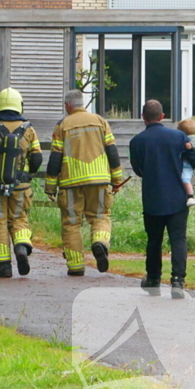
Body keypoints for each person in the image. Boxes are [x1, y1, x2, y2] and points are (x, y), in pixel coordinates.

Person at [130, 100, 195, 299]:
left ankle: (153, 280)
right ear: (162, 116)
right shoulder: (178, 136)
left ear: (143, 117)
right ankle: (177, 281)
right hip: (177, 198)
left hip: (153, 197)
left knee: (154, 241)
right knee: (178, 239)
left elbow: (138, 170)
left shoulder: (137, 141)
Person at [44, 89, 123, 276]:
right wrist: (117, 180)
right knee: (101, 216)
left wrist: (50, 187)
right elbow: (112, 152)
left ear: (68, 106)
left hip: (71, 182)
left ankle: (76, 266)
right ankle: (100, 242)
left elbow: (55, 158)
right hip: (99, 179)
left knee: (71, 224)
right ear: (83, 104)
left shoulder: (62, 125)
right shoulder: (100, 121)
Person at [0, 88, 42, 278]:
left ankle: (4, 265)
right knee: (19, 218)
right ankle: (21, 247)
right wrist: (27, 176)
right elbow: (36, 159)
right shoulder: (29, 129)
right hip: (20, 186)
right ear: (19, 105)